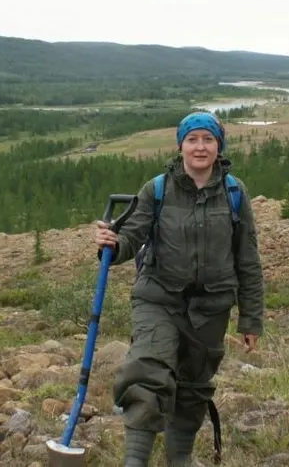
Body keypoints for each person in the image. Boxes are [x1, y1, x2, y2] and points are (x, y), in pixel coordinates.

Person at [93, 110, 266, 467]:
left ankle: (180, 459)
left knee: (193, 389)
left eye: (207, 139)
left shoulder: (235, 193)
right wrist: (111, 243)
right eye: (192, 140)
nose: (200, 147)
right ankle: (135, 462)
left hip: (212, 307)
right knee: (147, 371)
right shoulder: (156, 189)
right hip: (158, 298)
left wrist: (251, 319)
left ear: (219, 146)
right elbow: (131, 238)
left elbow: (247, 259)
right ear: (180, 146)